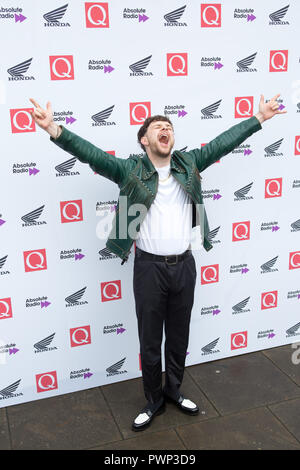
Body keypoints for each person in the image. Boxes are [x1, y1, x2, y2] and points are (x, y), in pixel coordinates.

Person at [29, 95, 286, 431]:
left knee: (178, 337)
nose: (166, 130)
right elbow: (89, 152)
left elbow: (224, 142)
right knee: (150, 341)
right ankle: (153, 401)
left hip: (185, 265)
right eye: (158, 127)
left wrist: (259, 118)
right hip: (149, 269)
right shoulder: (129, 169)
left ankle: (174, 391)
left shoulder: (190, 162)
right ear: (145, 140)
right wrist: (53, 128)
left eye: (170, 127)